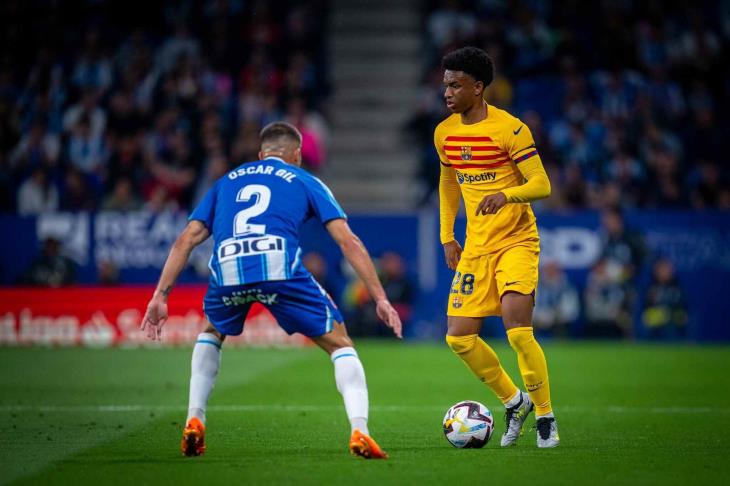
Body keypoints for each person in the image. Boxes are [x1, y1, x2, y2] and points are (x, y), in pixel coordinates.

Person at [140, 122, 402, 459]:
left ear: (261, 155)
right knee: (340, 343)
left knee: (212, 331)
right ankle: (360, 430)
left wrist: (160, 296)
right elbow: (347, 241)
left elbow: (186, 239)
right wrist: (380, 297)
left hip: (229, 265)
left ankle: (194, 417)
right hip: (278, 266)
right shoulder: (305, 179)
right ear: (297, 156)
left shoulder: (225, 182)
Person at [434, 47, 558, 448]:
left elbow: (542, 184)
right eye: (445, 85)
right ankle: (515, 401)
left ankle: (545, 416)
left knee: (518, 332)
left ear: (478, 87)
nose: (447, 92)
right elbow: (448, 183)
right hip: (476, 246)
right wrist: (447, 236)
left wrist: (506, 195)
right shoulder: (444, 132)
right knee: (458, 338)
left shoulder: (511, 129)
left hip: (516, 240)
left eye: (456, 85)